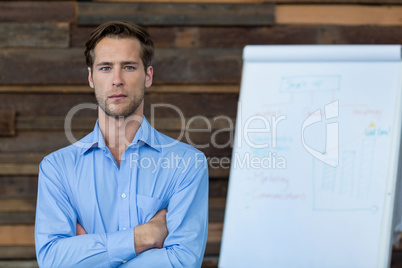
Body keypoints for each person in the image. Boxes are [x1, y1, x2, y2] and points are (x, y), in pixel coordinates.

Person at [35, 21, 209, 268]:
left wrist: (90, 255)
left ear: (148, 76)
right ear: (91, 78)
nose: (117, 80)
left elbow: (182, 261)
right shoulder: (56, 168)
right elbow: (52, 260)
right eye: (105, 68)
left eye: (128, 67)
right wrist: (144, 236)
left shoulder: (187, 164)